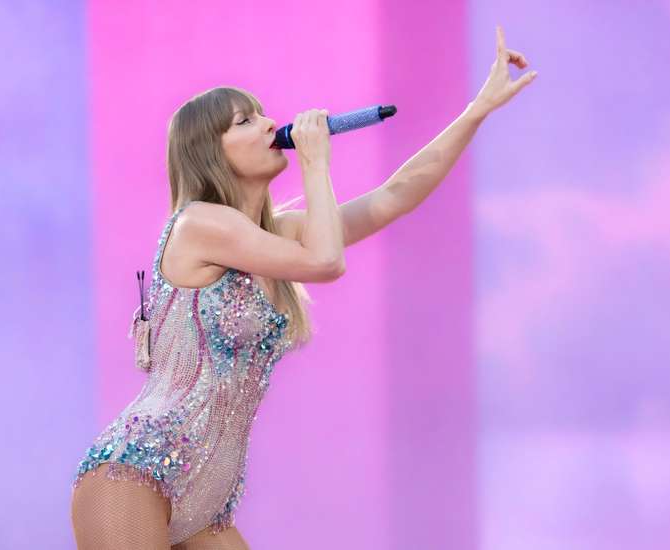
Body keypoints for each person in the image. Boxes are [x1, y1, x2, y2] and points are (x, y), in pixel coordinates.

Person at [69, 24, 536, 550]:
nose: (271, 122)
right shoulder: (199, 223)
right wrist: (315, 162)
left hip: (208, 499)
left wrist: (477, 110)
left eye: (262, 112)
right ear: (210, 153)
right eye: (245, 120)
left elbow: (396, 195)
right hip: (137, 472)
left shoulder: (271, 237)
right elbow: (325, 261)